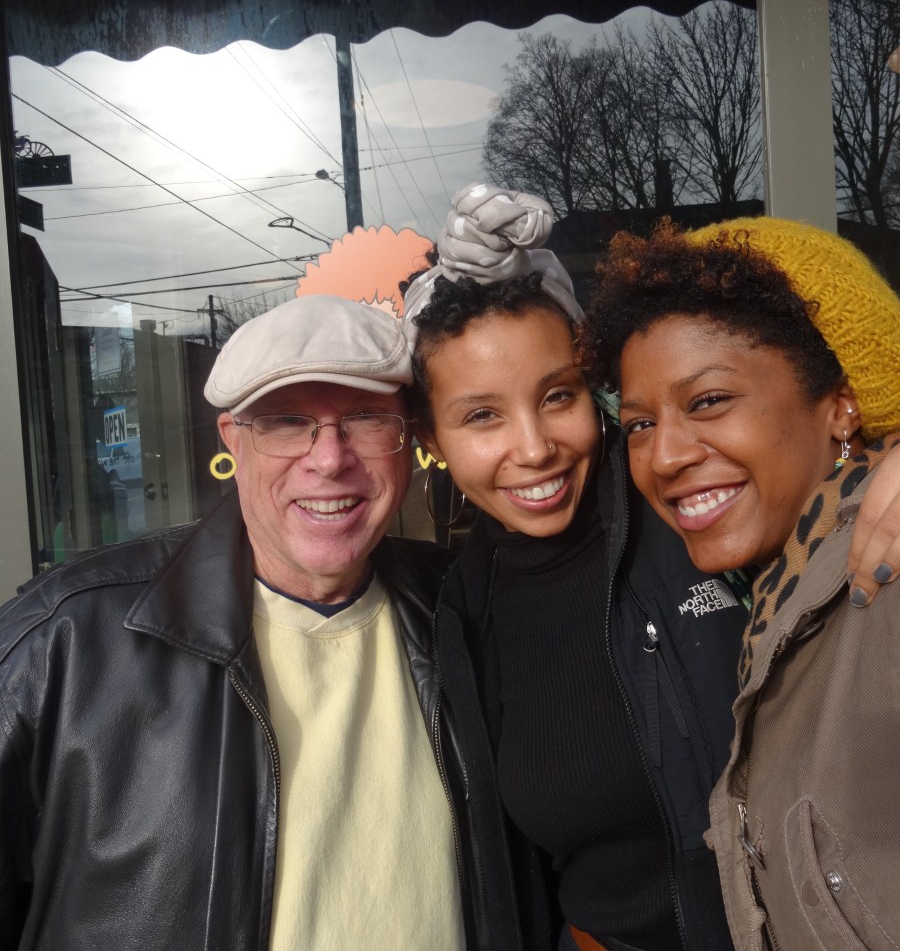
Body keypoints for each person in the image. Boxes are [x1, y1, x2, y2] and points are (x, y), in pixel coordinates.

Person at [401, 183, 900, 951]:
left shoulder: (705, 519)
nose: (534, 448)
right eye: (482, 415)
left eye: (559, 396)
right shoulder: (457, 606)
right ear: (431, 439)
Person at [0, 294, 528, 950]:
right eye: (285, 422)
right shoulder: (65, 641)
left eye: (366, 419)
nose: (329, 458)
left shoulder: (467, 608)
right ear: (234, 439)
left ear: (409, 441)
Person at [579, 216, 900, 949]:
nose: (663, 457)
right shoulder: (777, 603)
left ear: (841, 403)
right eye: (638, 425)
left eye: (708, 401)